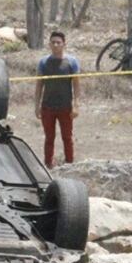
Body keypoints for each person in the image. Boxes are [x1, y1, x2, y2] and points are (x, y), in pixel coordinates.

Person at [35, 31, 82, 169]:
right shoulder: (43, 62)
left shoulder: (72, 62)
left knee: (67, 138)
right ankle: (48, 164)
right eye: (53, 42)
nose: (55, 45)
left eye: (58, 42)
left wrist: (76, 105)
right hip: (47, 107)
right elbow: (39, 86)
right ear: (49, 44)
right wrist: (36, 106)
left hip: (65, 107)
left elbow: (77, 85)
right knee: (49, 138)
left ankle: (69, 164)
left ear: (64, 44)